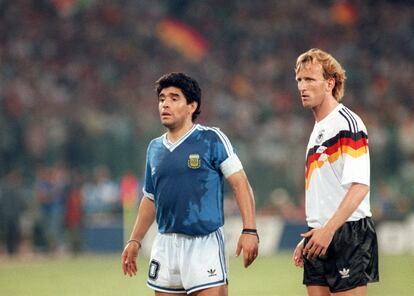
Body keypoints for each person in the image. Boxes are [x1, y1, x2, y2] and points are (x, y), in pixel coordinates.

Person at [121, 72, 259, 295]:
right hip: (165, 245)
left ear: (191, 106)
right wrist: (135, 240)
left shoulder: (212, 139)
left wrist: (250, 230)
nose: (165, 104)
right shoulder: (154, 148)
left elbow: (240, 184)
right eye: (162, 98)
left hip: (204, 244)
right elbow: (150, 198)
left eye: (174, 98)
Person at [292, 48, 379, 296]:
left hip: (347, 232)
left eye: (310, 79)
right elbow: (327, 188)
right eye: (299, 80)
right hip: (319, 233)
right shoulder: (319, 128)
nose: (302, 86)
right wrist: (313, 233)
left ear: (330, 83)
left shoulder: (347, 124)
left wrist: (328, 230)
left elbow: (360, 186)